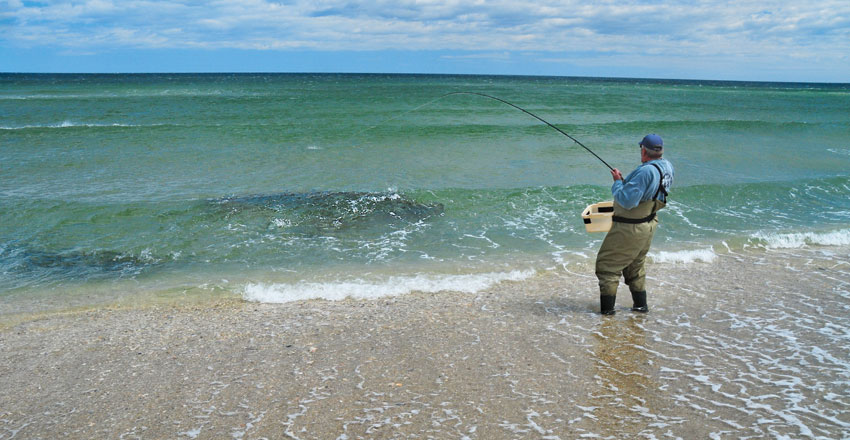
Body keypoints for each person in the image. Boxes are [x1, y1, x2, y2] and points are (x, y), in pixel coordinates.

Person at [595, 134, 674, 315]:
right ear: (660, 151)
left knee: (607, 267)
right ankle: (640, 308)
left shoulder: (646, 171)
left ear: (643, 150)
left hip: (630, 227)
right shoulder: (666, 166)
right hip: (648, 223)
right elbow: (648, 191)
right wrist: (626, 182)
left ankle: (607, 316)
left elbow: (627, 201)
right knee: (635, 267)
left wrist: (617, 184)